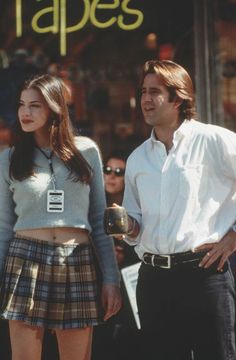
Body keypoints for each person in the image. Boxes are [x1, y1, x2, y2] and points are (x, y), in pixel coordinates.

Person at [118, 60, 236, 360]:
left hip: (206, 274)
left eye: (155, 91)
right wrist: (127, 226)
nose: (145, 99)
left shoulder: (214, 140)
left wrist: (234, 235)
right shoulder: (137, 159)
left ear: (179, 97)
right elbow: (137, 228)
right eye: (143, 91)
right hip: (153, 281)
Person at [0, 74, 121, 360]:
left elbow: (99, 221)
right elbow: (3, 226)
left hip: (76, 258)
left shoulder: (86, 151)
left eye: (36, 105)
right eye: (22, 105)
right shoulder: (9, 157)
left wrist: (111, 279)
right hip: (25, 260)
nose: (25, 113)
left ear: (55, 107)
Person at [92, 150, 142, 360]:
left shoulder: (135, 208)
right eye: (107, 169)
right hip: (99, 281)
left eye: (119, 172)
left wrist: (124, 254)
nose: (112, 176)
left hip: (130, 282)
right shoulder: (92, 205)